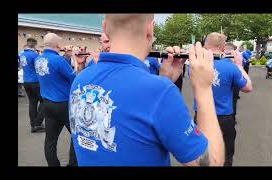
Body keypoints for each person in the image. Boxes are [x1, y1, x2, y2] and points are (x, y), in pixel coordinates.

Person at [69, 14, 225, 166]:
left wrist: (164, 79)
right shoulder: (160, 92)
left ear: (105, 27)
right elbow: (211, 162)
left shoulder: (80, 80)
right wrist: (203, 89)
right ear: (150, 29)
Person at [192, 32, 253, 166]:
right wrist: (239, 65)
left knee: (201, 154)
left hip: (201, 115)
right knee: (225, 155)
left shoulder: (195, 65)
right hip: (224, 117)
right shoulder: (231, 67)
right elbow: (248, 87)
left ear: (205, 44)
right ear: (224, 47)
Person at [34, 33, 84, 166]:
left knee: (50, 140)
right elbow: (75, 78)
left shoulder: (38, 59)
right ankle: (72, 164)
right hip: (63, 104)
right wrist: (75, 61)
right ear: (57, 45)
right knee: (76, 136)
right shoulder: (58, 60)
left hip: (47, 103)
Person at [19, 38, 45, 133]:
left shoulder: (22, 54)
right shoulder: (34, 55)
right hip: (35, 81)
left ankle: (33, 124)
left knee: (32, 103)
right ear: (34, 45)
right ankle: (37, 124)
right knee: (44, 101)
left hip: (26, 81)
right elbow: (41, 67)